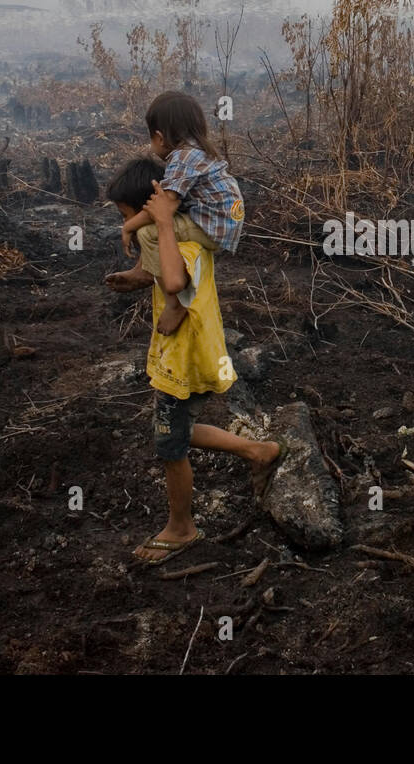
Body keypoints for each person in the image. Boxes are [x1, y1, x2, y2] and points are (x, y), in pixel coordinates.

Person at [104, 165, 285, 565]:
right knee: (176, 430)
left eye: (129, 215)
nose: (129, 227)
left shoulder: (181, 242)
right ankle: (259, 451)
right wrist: (136, 278)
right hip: (186, 356)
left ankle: (182, 527)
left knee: (170, 447)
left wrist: (163, 226)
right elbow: (162, 273)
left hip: (186, 361)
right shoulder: (177, 240)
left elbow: (174, 282)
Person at [115, 92, 245, 334]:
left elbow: (165, 204)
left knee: (148, 233)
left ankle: (175, 304)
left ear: (160, 137)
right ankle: (146, 268)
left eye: (150, 138)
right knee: (160, 224)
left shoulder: (183, 158)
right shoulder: (198, 152)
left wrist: (129, 226)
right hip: (221, 220)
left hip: (212, 225)